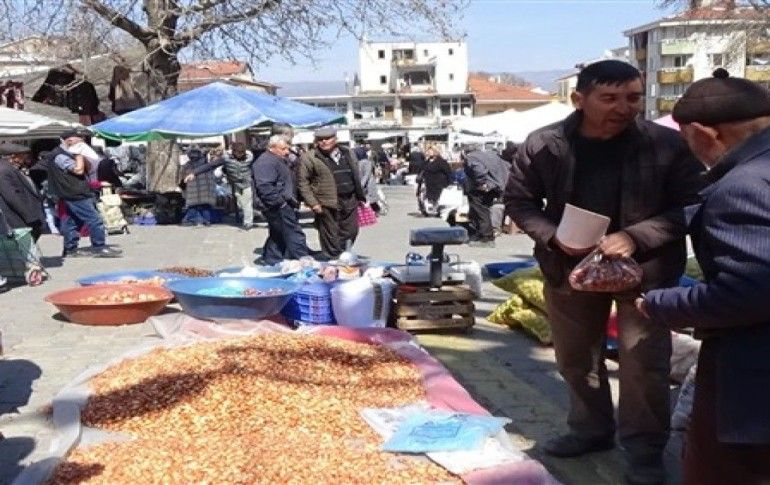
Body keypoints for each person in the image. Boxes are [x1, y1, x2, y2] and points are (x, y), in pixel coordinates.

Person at [504, 59, 704, 484]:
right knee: (576, 359)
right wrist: (554, 237)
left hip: (646, 272)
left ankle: (645, 449)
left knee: (644, 365)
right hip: (568, 267)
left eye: (633, 97)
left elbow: (691, 205)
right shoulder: (545, 144)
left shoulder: (667, 144)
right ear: (579, 99)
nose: (624, 107)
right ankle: (590, 430)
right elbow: (519, 202)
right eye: (609, 98)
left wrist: (635, 237)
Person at [637, 69, 770, 485]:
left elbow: (748, 292)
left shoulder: (742, 187)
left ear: (703, 133)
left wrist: (659, 303)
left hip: (753, 380)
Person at [46, 129, 122, 257]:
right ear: (70, 141)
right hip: (74, 192)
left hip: (74, 191)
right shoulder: (60, 156)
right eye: (79, 141)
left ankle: (70, 249)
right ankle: (99, 247)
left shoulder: (67, 153)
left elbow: (88, 168)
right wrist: (78, 154)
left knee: (72, 221)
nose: (82, 143)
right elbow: (78, 170)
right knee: (95, 219)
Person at [297, 127, 366, 259]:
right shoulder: (310, 157)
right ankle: (333, 258)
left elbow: (355, 173)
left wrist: (360, 195)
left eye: (327, 138)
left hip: (349, 198)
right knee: (330, 234)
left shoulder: (347, 152)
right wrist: (313, 203)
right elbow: (303, 183)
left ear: (335, 139)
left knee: (351, 230)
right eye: (320, 139)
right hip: (325, 202)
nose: (324, 141)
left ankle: (342, 253)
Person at [252, 135, 309, 264]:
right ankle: (303, 259)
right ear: (272, 148)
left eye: (288, 148)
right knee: (293, 233)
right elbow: (265, 186)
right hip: (277, 205)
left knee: (278, 233)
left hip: (280, 203)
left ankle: (272, 258)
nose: (287, 152)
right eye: (283, 149)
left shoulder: (276, 159)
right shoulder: (266, 162)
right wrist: (280, 203)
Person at [185, 142, 255, 229]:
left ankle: (248, 223)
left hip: (246, 183)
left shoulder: (250, 157)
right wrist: (194, 173)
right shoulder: (226, 158)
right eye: (239, 153)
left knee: (247, 203)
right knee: (240, 203)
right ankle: (246, 216)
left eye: (242, 153)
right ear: (233, 152)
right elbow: (210, 165)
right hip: (235, 183)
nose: (241, 155)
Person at [461, 144, 509, 247]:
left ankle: (486, 238)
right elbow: (507, 167)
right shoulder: (491, 155)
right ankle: (480, 234)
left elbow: (479, 169)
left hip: (482, 187)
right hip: (495, 186)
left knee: (481, 211)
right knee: (483, 210)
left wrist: (481, 182)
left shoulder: (471, 157)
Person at [0, 144, 45, 241]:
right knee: (25, 245)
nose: (24, 158)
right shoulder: (3, 170)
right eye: (22, 156)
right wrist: (30, 217)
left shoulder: (12, 168)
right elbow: (13, 197)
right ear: (13, 156)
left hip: (28, 216)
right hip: (19, 219)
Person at [179, 147, 216, 226]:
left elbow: (182, 178)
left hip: (192, 190)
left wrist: (183, 188)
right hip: (206, 190)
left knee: (193, 206)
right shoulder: (206, 164)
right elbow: (212, 177)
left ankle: (192, 220)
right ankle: (206, 221)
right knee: (205, 205)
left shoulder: (187, 165)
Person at [417, 145, 453, 216]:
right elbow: (421, 171)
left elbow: (448, 173)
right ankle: (426, 210)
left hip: (438, 184)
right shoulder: (426, 162)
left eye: (431, 150)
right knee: (425, 198)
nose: (429, 152)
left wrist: (449, 183)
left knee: (437, 200)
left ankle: (438, 210)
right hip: (427, 184)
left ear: (436, 151)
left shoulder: (442, 162)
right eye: (428, 150)